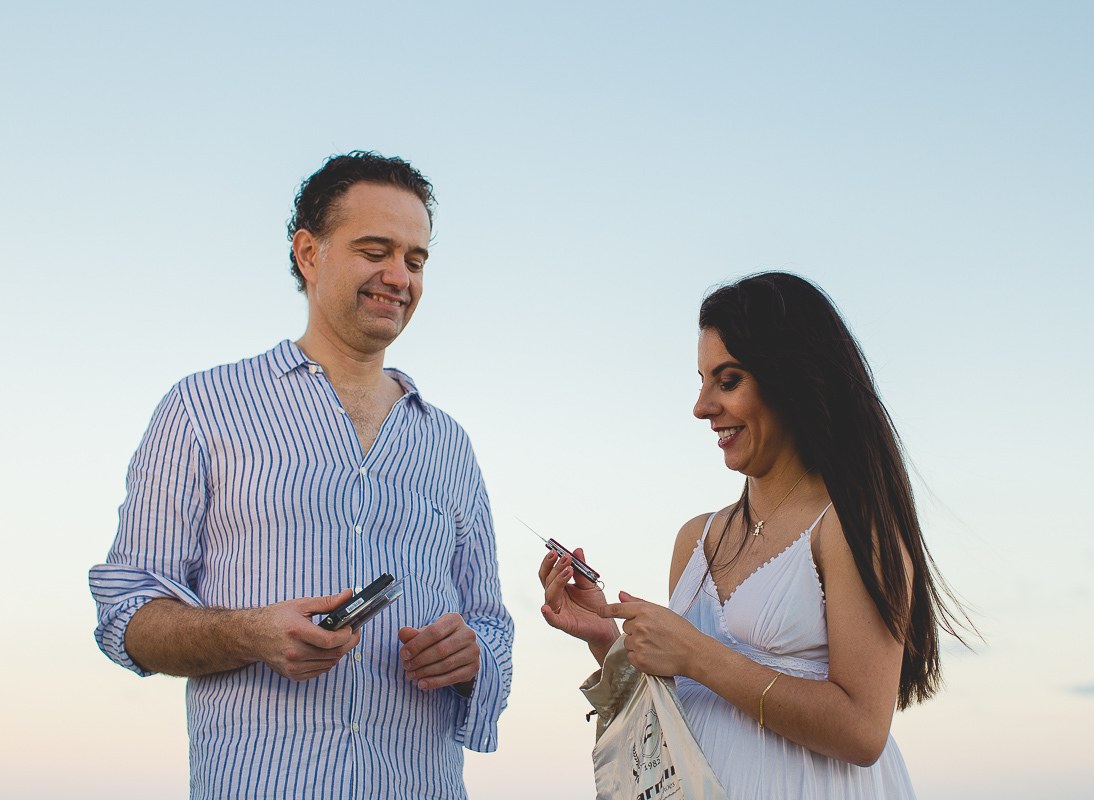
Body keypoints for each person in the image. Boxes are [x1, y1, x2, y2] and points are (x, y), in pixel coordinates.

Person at [90, 152, 514, 800]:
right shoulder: (201, 408)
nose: (398, 277)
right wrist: (251, 634)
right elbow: (128, 614)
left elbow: (491, 625)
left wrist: (473, 658)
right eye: (376, 251)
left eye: (416, 259)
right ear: (309, 254)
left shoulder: (449, 444)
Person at [538, 272, 968, 799]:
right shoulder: (695, 539)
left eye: (728, 380)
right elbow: (675, 717)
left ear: (789, 378)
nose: (701, 406)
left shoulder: (850, 525)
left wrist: (696, 654)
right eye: (701, 380)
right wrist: (608, 641)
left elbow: (862, 731)